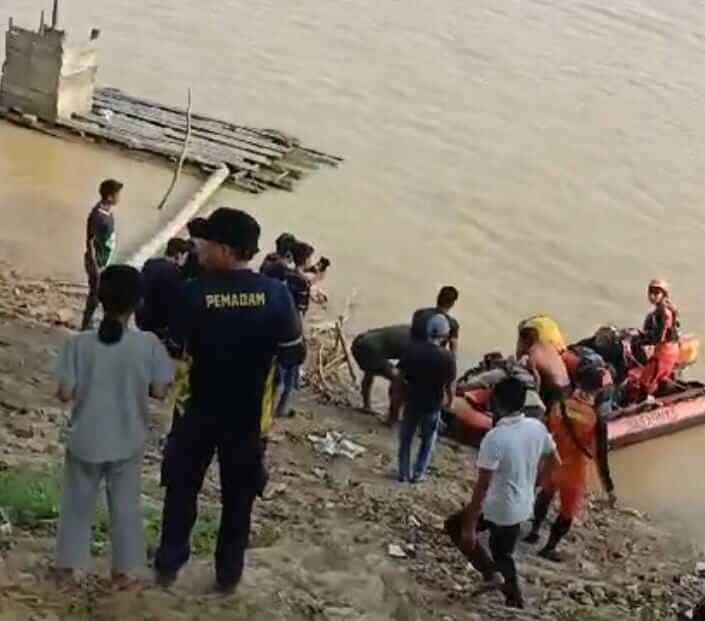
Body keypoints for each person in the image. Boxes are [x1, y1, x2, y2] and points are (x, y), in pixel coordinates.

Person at [155, 208, 305, 594]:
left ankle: (169, 566)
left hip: (195, 414)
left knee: (181, 492)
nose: (198, 247)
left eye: (205, 241)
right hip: (248, 419)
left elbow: (174, 347)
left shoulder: (193, 293)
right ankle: (227, 577)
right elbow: (293, 354)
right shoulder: (277, 295)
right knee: (238, 502)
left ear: (223, 249)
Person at [55, 265, 174, 584]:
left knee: (77, 504)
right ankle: (123, 571)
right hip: (128, 439)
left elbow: (65, 393)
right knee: (125, 507)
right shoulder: (148, 345)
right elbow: (161, 391)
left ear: (100, 298)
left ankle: (68, 567)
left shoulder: (77, 344)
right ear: (138, 303)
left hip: (85, 438)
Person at [445, 377, 560, 609]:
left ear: (497, 403)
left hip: (499, 507)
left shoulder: (495, 438)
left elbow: (482, 486)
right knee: (496, 549)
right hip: (522, 504)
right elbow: (556, 462)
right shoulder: (536, 427)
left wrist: (470, 528)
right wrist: (535, 484)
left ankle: (512, 596)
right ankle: (496, 580)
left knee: (492, 549)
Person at [523, 365, 616, 561]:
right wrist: (609, 488)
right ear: (598, 390)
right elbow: (601, 456)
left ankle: (534, 532)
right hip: (575, 471)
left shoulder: (559, 405)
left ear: (578, 383)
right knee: (567, 513)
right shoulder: (596, 419)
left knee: (545, 496)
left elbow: (543, 433)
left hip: (552, 462)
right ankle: (548, 548)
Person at [397, 314, 456, 483]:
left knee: (406, 439)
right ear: (445, 335)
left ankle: (403, 473)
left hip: (412, 401)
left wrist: (398, 395)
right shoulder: (447, 357)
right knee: (428, 441)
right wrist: (450, 402)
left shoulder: (412, 349)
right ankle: (418, 473)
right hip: (432, 405)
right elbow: (450, 385)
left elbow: (400, 376)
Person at [274, 240, 314, 418]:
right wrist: (300, 335)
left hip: (278, 323)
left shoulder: (286, 275)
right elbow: (299, 311)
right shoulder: (303, 283)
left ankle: (271, 406)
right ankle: (280, 409)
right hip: (292, 327)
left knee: (278, 370)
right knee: (289, 371)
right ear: (305, 260)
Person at [623, 279, 681, 402]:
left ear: (664, 294)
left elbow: (659, 337)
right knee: (661, 377)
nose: (652, 295)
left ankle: (643, 407)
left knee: (645, 381)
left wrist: (639, 339)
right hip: (673, 349)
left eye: (656, 292)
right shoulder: (671, 309)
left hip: (664, 351)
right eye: (651, 292)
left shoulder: (662, 312)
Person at [81, 179, 122, 331]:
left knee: (100, 294)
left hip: (105, 259)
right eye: (117, 194)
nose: (119, 197)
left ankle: (90, 323)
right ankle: (86, 325)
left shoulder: (108, 211)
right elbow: (90, 241)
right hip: (97, 261)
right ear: (109, 196)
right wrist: (94, 264)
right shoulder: (97, 215)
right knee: (96, 294)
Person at [459, 354, 545, 422]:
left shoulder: (501, 373)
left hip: (522, 411)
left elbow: (475, 383)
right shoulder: (531, 377)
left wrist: (457, 387)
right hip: (538, 410)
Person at [135, 238, 190, 344]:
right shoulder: (175, 272)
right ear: (178, 255)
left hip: (142, 316)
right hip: (159, 322)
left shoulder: (150, 263)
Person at [351, 324, 412, 415]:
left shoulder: (410, 329)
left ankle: (366, 406)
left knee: (369, 372)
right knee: (399, 382)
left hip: (360, 342)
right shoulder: (417, 343)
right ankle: (392, 416)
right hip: (370, 349)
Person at [517, 326, 571, 414]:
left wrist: (536, 396)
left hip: (555, 390)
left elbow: (537, 378)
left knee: (547, 415)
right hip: (567, 384)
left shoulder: (532, 355)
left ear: (525, 341)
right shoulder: (548, 344)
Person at [411, 286, 460, 355]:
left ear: (438, 298)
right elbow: (453, 352)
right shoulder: (452, 323)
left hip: (411, 356)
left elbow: (412, 335)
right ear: (452, 304)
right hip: (432, 361)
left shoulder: (419, 313)